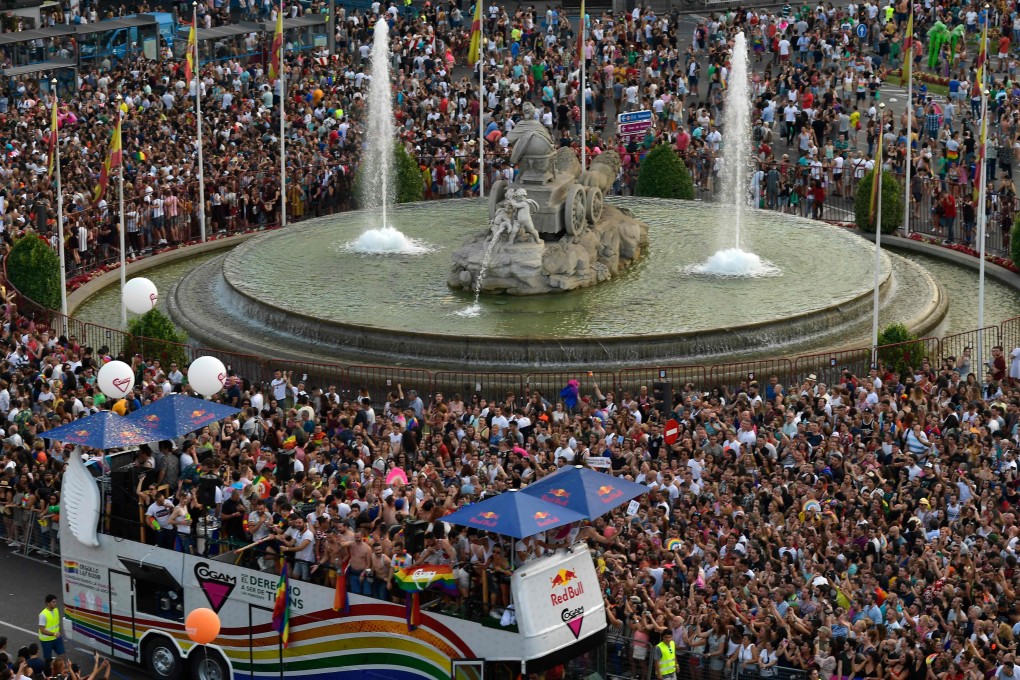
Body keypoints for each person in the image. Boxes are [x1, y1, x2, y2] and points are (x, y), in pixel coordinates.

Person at [37, 594, 65, 662]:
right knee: (48, 660)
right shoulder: (43, 615)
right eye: (53, 602)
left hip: (56, 638)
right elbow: (42, 630)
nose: (55, 603)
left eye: (56, 602)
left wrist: (60, 634)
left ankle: (59, 668)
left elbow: (57, 623)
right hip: (46, 641)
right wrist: (54, 634)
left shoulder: (56, 610)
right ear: (48, 603)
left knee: (62, 655)